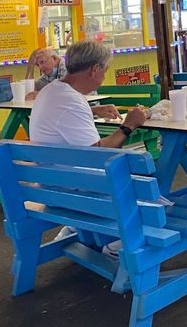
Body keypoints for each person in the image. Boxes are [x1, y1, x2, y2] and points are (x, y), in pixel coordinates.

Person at [29, 41, 147, 258]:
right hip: (70, 190)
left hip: (49, 183)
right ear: (95, 69)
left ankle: (75, 228)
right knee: (145, 188)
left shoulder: (51, 90)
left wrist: (93, 110)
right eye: (105, 69)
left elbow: (62, 116)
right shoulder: (71, 101)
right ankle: (117, 246)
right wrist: (129, 124)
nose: (105, 75)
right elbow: (97, 154)